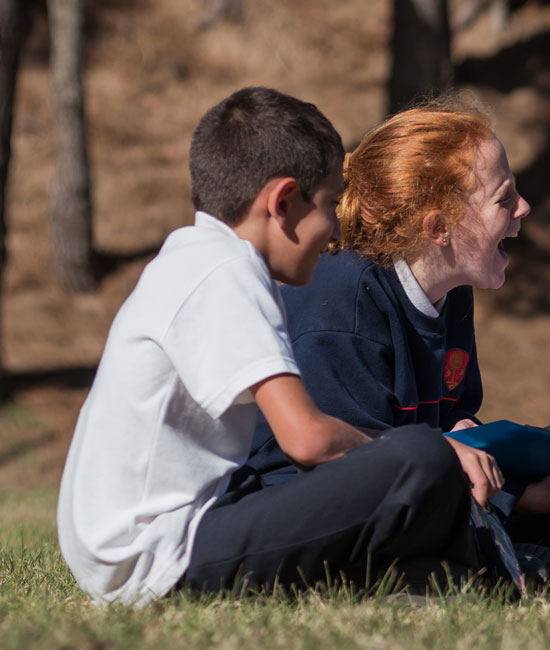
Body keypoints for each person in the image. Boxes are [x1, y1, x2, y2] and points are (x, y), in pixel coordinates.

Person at [57, 87, 495, 606]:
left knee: (418, 460)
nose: (335, 229)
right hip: (155, 556)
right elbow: (307, 439)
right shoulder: (224, 273)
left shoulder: (200, 260)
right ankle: (458, 568)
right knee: (421, 454)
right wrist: (430, 452)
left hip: (181, 531)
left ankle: (420, 577)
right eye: (330, 204)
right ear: (283, 203)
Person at [237, 97, 550, 571]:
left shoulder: (451, 290)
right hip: (322, 516)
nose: (524, 207)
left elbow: (453, 423)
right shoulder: (344, 301)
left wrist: (499, 456)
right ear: (439, 227)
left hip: (423, 491)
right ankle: (506, 553)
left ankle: (529, 546)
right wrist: (520, 499)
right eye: (504, 198)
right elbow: (348, 472)